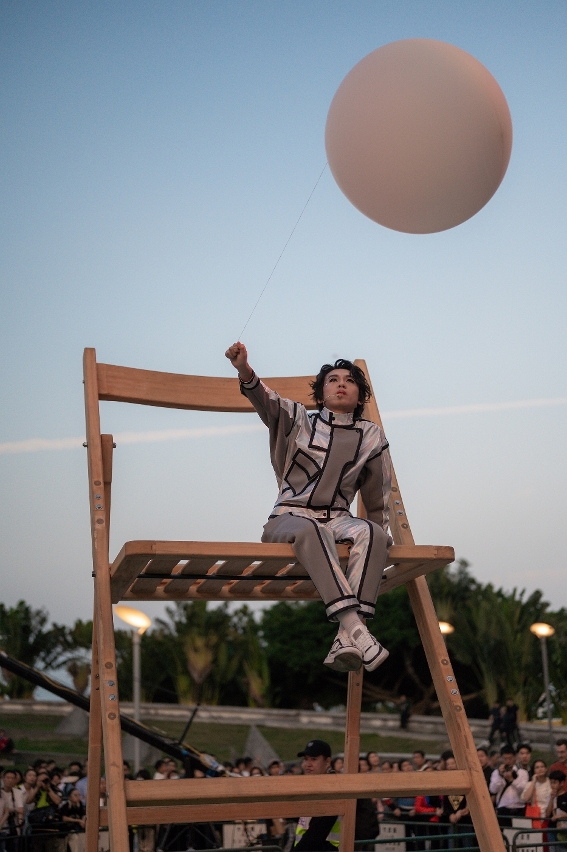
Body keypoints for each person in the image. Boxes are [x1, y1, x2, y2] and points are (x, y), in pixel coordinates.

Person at [225, 343, 392, 673]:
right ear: (320, 393)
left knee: (374, 533)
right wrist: (243, 369)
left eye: (350, 381)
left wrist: (380, 548)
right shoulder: (298, 419)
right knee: (312, 529)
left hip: (340, 521)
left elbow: (376, 500)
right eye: (333, 380)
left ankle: (345, 639)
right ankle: (358, 630)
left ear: (360, 396)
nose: (341, 384)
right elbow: (265, 401)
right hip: (289, 517)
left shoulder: (371, 436)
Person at [294, 740, 340, 850]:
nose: (308, 764)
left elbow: (315, 836)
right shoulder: (312, 788)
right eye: (306, 759)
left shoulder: (332, 790)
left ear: (327, 762)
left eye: (313, 759)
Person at [489, 745, 528, 824]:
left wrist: (512, 780)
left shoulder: (522, 773)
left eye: (510, 758)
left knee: (519, 831)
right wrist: (500, 776)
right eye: (505, 758)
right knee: (503, 831)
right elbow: (492, 790)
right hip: (503, 808)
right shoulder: (496, 773)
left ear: (515, 757)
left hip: (519, 808)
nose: (507, 761)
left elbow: (523, 789)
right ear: (501, 758)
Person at [521, 759, 551, 824]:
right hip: (535, 816)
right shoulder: (530, 784)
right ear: (534, 771)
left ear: (546, 769)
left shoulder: (551, 782)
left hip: (549, 816)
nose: (540, 769)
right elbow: (525, 799)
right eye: (537, 767)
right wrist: (533, 782)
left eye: (542, 767)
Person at [546, 770, 567, 849]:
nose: (552, 785)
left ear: (562, 783)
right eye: (551, 783)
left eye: (554, 783)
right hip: (552, 829)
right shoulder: (550, 796)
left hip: (564, 830)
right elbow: (547, 814)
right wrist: (552, 798)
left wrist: (560, 816)